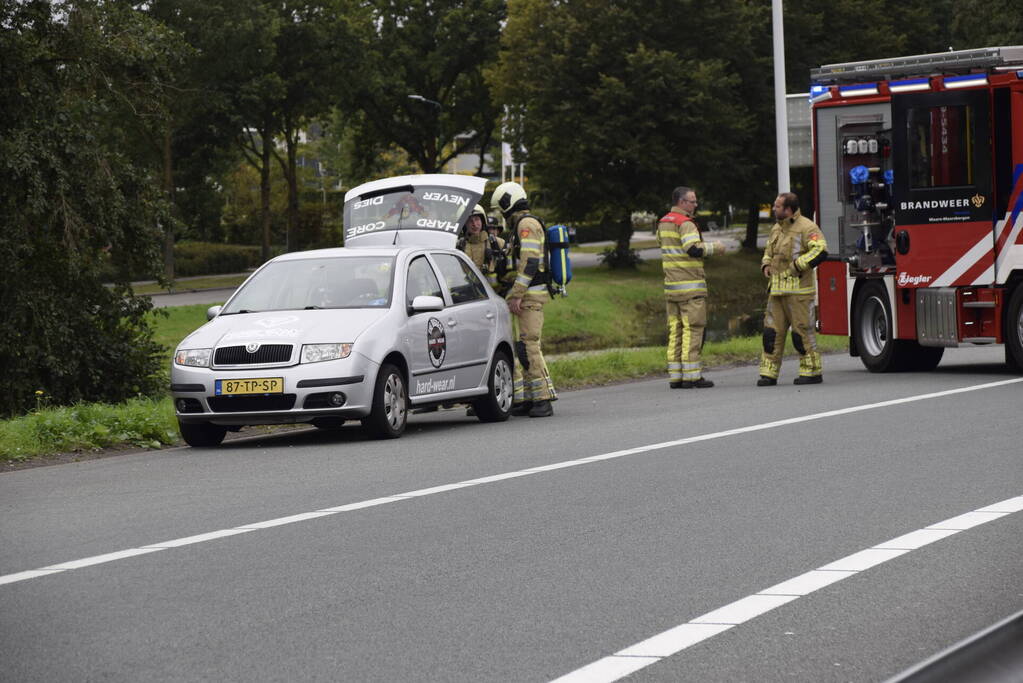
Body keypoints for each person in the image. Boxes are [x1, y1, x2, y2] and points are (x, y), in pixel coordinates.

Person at [490, 181, 556, 417]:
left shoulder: (526, 225)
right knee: (523, 347)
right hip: (527, 295)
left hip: (530, 297)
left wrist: (516, 294)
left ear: (508, 203)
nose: (502, 215)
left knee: (529, 346)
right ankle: (530, 398)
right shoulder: (522, 224)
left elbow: (530, 262)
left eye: (501, 209)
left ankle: (542, 400)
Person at [757, 192, 829, 386]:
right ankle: (768, 374)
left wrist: (798, 265)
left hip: (799, 293)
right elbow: (768, 252)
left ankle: (811, 372)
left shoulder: (807, 227)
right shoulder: (776, 229)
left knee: (801, 334)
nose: (773, 209)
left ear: (788, 209)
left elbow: (821, 250)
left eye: (777, 206)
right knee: (771, 334)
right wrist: (765, 265)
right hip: (777, 292)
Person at [656, 186, 721, 389]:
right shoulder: (686, 224)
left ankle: (675, 376)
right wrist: (715, 248)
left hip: (672, 287)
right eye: (692, 201)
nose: (695, 204)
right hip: (690, 288)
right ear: (682, 202)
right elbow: (692, 249)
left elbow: (665, 247)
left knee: (675, 331)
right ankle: (692, 376)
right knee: (692, 330)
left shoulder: (664, 222)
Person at [458, 204, 506, 287]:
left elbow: (509, 272)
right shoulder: (459, 246)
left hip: (496, 295)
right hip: (471, 295)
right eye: (470, 221)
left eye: (477, 219)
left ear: (483, 221)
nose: (474, 224)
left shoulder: (498, 243)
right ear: (464, 224)